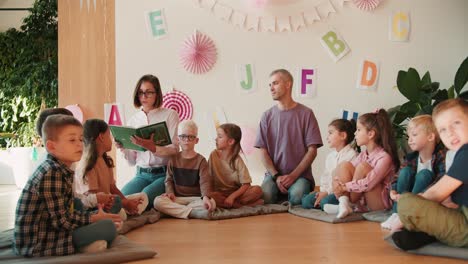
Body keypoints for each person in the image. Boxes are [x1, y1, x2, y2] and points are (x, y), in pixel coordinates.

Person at [14, 115, 121, 257]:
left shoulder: (61, 167)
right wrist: (94, 218)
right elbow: (62, 221)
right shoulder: (51, 172)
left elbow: (71, 206)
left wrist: (95, 215)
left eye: (81, 139)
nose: (79, 144)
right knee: (109, 227)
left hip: (56, 227)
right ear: (52, 146)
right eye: (72, 140)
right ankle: (84, 244)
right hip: (39, 242)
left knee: (105, 216)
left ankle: (89, 239)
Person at [391, 99, 468, 250]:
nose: (450, 133)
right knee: (434, 207)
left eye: (456, 123)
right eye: (443, 130)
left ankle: (424, 232)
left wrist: (402, 216)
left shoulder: (466, 153)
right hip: (461, 212)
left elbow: (437, 192)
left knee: (407, 202)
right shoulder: (458, 153)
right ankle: (424, 233)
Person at [255, 69, 323, 205]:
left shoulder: (306, 113)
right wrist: (276, 176)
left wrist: (293, 176)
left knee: (297, 196)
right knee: (266, 196)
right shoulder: (266, 116)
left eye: (275, 83)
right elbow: (262, 151)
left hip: (300, 176)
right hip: (274, 176)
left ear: (288, 84)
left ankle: (291, 196)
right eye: (269, 85)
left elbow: (312, 150)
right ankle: (282, 195)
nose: (271, 88)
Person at [117, 74, 180, 209]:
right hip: (141, 174)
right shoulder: (133, 120)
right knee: (121, 198)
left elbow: (175, 150)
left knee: (143, 197)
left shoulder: (170, 115)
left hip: (164, 174)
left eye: (149, 92)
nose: (144, 97)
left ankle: (136, 212)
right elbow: (132, 161)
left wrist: (153, 148)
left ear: (157, 93)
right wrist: (124, 149)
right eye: (140, 93)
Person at [329, 109, 400, 219]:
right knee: (344, 165)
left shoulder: (385, 157)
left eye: (358, 130)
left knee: (363, 167)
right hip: (363, 200)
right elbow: (346, 172)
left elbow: (368, 183)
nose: (354, 133)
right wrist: (336, 182)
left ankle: (347, 204)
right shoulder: (363, 154)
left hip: (380, 203)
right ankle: (344, 204)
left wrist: (344, 187)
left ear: (371, 134)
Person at [381, 115, 446, 231]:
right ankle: (396, 213)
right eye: (409, 136)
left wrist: (423, 195)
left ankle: (408, 213)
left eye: (414, 135)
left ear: (430, 136)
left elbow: (442, 180)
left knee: (425, 174)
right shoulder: (410, 158)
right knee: (405, 171)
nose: (409, 139)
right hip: (407, 196)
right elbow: (397, 176)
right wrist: (393, 191)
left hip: (425, 199)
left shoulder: (441, 156)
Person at [75, 119, 148, 218]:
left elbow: (112, 188)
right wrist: (124, 203)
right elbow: (94, 199)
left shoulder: (105, 160)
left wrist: (126, 202)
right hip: (98, 207)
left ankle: (126, 210)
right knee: (119, 205)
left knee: (143, 197)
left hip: (109, 201)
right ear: (101, 137)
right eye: (109, 135)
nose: (112, 140)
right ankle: (123, 213)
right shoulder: (89, 165)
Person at [154, 120, 216, 218]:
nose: (186, 140)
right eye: (183, 136)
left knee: (211, 203)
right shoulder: (173, 159)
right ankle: (192, 213)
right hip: (177, 198)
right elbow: (168, 180)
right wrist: (170, 193)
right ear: (178, 139)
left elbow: (205, 182)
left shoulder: (201, 160)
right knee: (157, 201)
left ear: (196, 140)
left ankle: (178, 211)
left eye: (191, 137)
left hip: (195, 199)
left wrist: (205, 197)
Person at [301, 119, 358, 209]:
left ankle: (337, 206)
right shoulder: (330, 156)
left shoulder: (352, 155)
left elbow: (344, 182)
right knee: (306, 201)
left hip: (341, 193)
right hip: (327, 192)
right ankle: (324, 204)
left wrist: (327, 193)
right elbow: (326, 176)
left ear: (343, 135)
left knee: (325, 201)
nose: (327, 137)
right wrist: (322, 192)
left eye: (330, 133)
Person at [209, 123, 263, 209]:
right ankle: (242, 206)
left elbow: (246, 184)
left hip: (236, 194)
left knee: (257, 190)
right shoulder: (213, 155)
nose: (216, 139)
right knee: (210, 195)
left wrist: (232, 197)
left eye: (219, 137)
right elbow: (209, 177)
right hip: (219, 193)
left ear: (231, 141)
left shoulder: (237, 160)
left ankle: (232, 204)